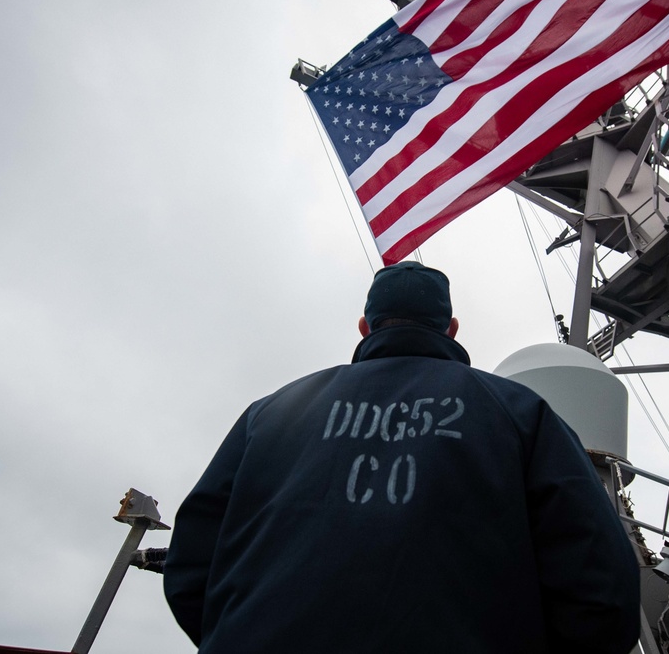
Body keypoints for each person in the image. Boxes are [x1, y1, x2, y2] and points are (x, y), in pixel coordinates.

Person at [164, 262, 640, 653]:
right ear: (451, 329)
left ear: (364, 327)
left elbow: (190, 568)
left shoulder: (269, 415)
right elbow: (600, 582)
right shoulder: (522, 414)